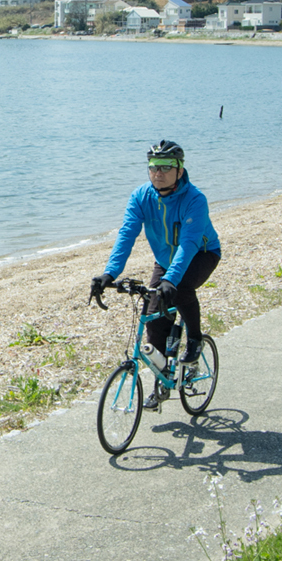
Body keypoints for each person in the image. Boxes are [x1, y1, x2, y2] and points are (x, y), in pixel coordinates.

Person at [91, 141, 221, 408]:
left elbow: (189, 244)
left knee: (182, 288)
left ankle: (195, 341)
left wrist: (171, 280)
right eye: (153, 167)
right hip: (165, 260)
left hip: (201, 254)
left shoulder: (195, 200)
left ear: (180, 170)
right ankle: (161, 382)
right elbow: (127, 234)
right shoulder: (141, 196)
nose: (158, 172)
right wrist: (110, 272)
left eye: (165, 166)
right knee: (153, 320)